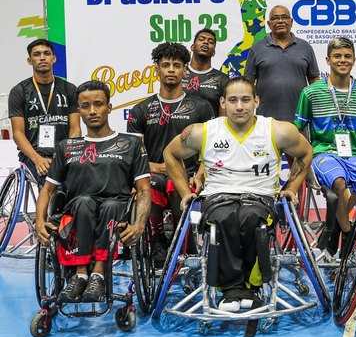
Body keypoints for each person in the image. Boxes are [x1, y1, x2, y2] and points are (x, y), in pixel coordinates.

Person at [163, 77, 313, 311]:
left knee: (251, 217)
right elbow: (170, 154)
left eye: (245, 100)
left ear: (256, 101)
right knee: (224, 217)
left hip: (260, 197)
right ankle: (231, 289)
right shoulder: (203, 132)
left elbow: (305, 153)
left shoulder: (278, 130)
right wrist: (184, 192)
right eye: (232, 100)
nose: (239, 106)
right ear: (222, 103)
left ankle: (251, 287)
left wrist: (292, 187)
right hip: (218, 197)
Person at [34, 81, 151, 303]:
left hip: (116, 209)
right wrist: (39, 221)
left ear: (109, 107)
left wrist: (139, 224)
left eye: (98, 104)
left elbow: (144, 190)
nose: (92, 111)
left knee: (109, 205)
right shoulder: (67, 146)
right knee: (84, 202)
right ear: (78, 110)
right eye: (85, 106)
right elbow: (48, 189)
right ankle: (80, 274)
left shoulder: (130, 144)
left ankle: (98, 274)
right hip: (78, 211)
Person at [127, 43, 215, 267]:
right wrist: (160, 167)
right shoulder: (141, 110)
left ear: (185, 70)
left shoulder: (201, 107)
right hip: (153, 172)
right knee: (152, 183)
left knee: (177, 183)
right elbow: (135, 157)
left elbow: (211, 150)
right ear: (156, 69)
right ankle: (157, 240)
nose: (171, 70)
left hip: (191, 174)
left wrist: (201, 176)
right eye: (165, 65)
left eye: (177, 65)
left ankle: (183, 237)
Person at [294, 37, 356, 256]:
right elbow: (299, 130)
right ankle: (347, 230)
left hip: (354, 154)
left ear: (354, 60)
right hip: (323, 154)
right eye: (337, 56)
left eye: (347, 56)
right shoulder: (310, 92)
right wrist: (304, 160)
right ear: (327, 60)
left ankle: (338, 225)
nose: (343, 60)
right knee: (339, 183)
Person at [9, 39, 80, 185]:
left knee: (84, 181)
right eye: (37, 54)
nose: (42, 57)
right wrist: (37, 159)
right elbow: (18, 133)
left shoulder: (70, 89)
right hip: (34, 155)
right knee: (54, 184)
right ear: (29, 60)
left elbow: (75, 129)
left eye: (47, 53)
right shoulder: (19, 91)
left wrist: (65, 155)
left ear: (53, 59)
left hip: (64, 153)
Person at [244, 5, 320, 122]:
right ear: (269, 24)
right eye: (275, 18)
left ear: (291, 22)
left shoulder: (305, 47)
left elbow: (314, 80)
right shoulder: (257, 48)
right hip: (266, 118)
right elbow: (247, 83)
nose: (280, 21)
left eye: (284, 17)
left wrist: (316, 108)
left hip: (300, 117)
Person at [182, 29, 227, 116]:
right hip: (181, 129)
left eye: (211, 41)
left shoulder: (223, 79)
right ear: (192, 47)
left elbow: (223, 119)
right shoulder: (179, 73)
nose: (206, 42)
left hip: (210, 129)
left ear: (213, 52)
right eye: (201, 39)